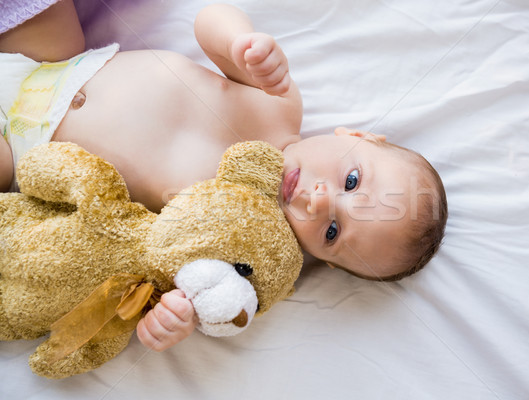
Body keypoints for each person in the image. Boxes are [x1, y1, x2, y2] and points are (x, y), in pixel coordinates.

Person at [0, 2, 447, 351]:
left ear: (323, 259)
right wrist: (242, 43)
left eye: (332, 231)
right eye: (351, 182)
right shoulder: (279, 102)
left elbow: (168, 272)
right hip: (61, 60)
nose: (317, 200)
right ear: (361, 136)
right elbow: (209, 20)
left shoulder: (232, 237)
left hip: (22, 153)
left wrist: (171, 317)